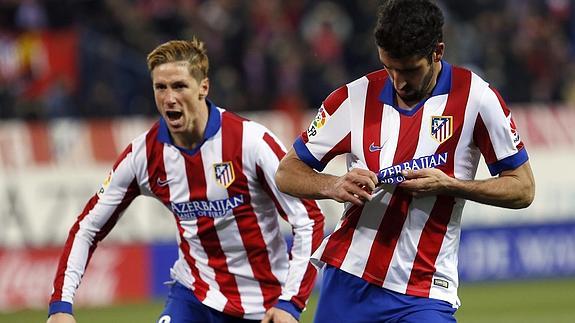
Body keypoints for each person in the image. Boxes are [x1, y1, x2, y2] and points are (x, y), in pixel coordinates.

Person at [275, 0, 535, 322]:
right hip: (350, 278)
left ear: (437, 52)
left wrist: (452, 185)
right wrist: (334, 184)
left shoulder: (476, 98)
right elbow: (287, 171)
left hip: (425, 290)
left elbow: (523, 189)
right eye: (389, 67)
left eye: (409, 70)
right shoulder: (352, 99)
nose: (398, 81)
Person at [47, 37, 325, 323]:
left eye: (179, 86)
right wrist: (60, 305)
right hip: (192, 297)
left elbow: (309, 219)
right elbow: (87, 228)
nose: (169, 98)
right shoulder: (143, 155)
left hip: (262, 306)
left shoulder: (250, 142)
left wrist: (291, 303)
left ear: (203, 87)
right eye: (161, 87)